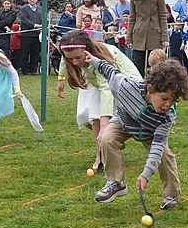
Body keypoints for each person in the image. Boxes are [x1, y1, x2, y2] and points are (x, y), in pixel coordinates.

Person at [86, 51, 188, 211]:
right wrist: (92, 60)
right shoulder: (126, 86)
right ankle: (116, 183)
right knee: (107, 138)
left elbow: (156, 149)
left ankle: (171, 195)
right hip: (124, 122)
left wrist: (145, 174)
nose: (168, 105)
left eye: (173, 100)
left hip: (149, 132)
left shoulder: (166, 117)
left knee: (164, 155)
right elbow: (110, 71)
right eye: (164, 98)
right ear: (150, 88)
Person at [57, 30, 139, 174]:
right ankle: (111, 140)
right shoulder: (71, 53)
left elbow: (106, 88)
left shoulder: (102, 58)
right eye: (71, 59)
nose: (75, 62)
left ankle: (101, 156)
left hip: (124, 85)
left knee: (97, 116)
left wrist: (104, 123)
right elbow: (65, 58)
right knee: (84, 115)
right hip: (94, 82)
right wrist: (61, 79)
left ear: (87, 49)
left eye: (77, 57)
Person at [129, 0, 168, 77]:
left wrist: (164, 37)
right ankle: (139, 89)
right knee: (138, 66)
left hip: (154, 33)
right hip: (139, 34)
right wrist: (129, 37)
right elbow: (132, 18)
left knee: (156, 65)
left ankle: (157, 88)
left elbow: (163, 17)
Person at [18, 0, 43, 74]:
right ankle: (25, 70)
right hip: (26, 34)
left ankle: (33, 69)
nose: (32, 0)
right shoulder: (23, 9)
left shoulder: (40, 9)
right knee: (24, 53)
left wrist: (42, 25)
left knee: (35, 53)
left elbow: (43, 18)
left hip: (37, 35)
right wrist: (34, 25)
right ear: (28, 0)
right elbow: (24, 20)